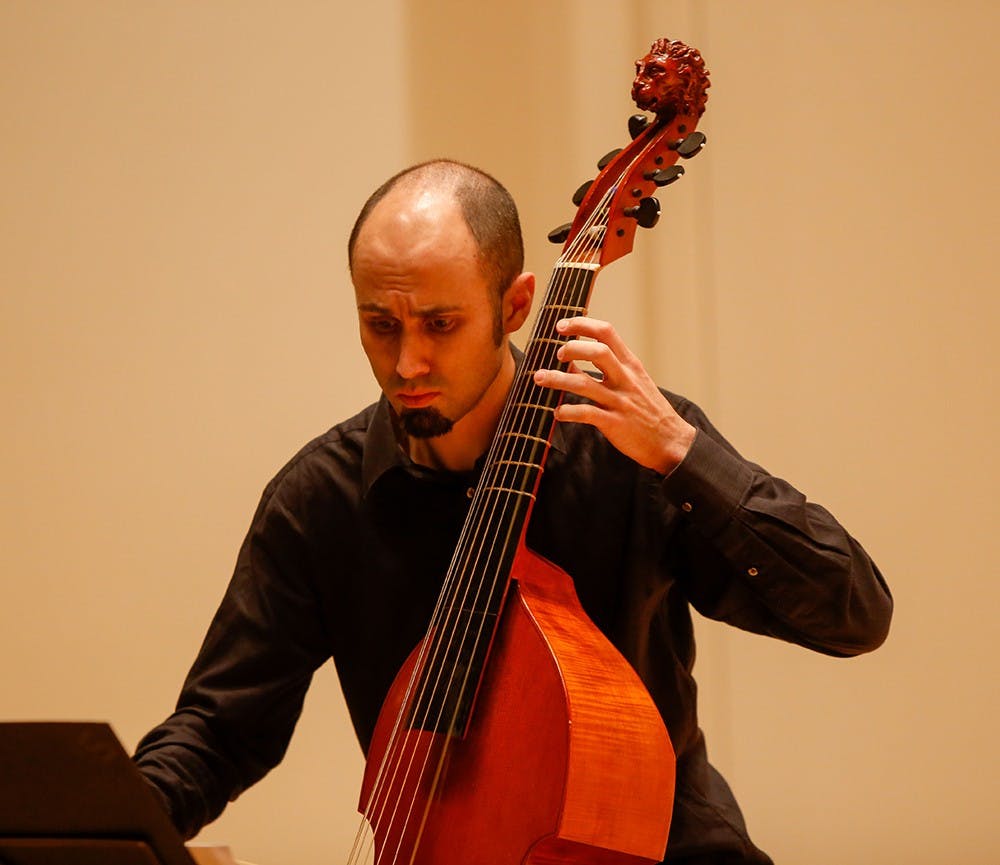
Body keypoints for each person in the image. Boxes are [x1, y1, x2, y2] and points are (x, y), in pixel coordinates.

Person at [134, 159, 892, 864]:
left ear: (517, 304)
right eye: (380, 324)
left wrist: (682, 453)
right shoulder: (318, 500)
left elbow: (852, 612)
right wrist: (103, 824)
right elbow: (218, 730)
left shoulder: (628, 455)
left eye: (440, 323)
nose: (407, 364)